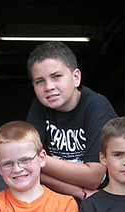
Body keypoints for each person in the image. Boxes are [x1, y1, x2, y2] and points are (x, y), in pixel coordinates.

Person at [25, 41, 117, 201]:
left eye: (56, 77)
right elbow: (28, 169)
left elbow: (94, 177)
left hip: (105, 203)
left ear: (76, 77)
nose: (49, 87)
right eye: (40, 81)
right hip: (69, 200)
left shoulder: (97, 107)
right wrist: (79, 191)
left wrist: (37, 159)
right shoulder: (39, 106)